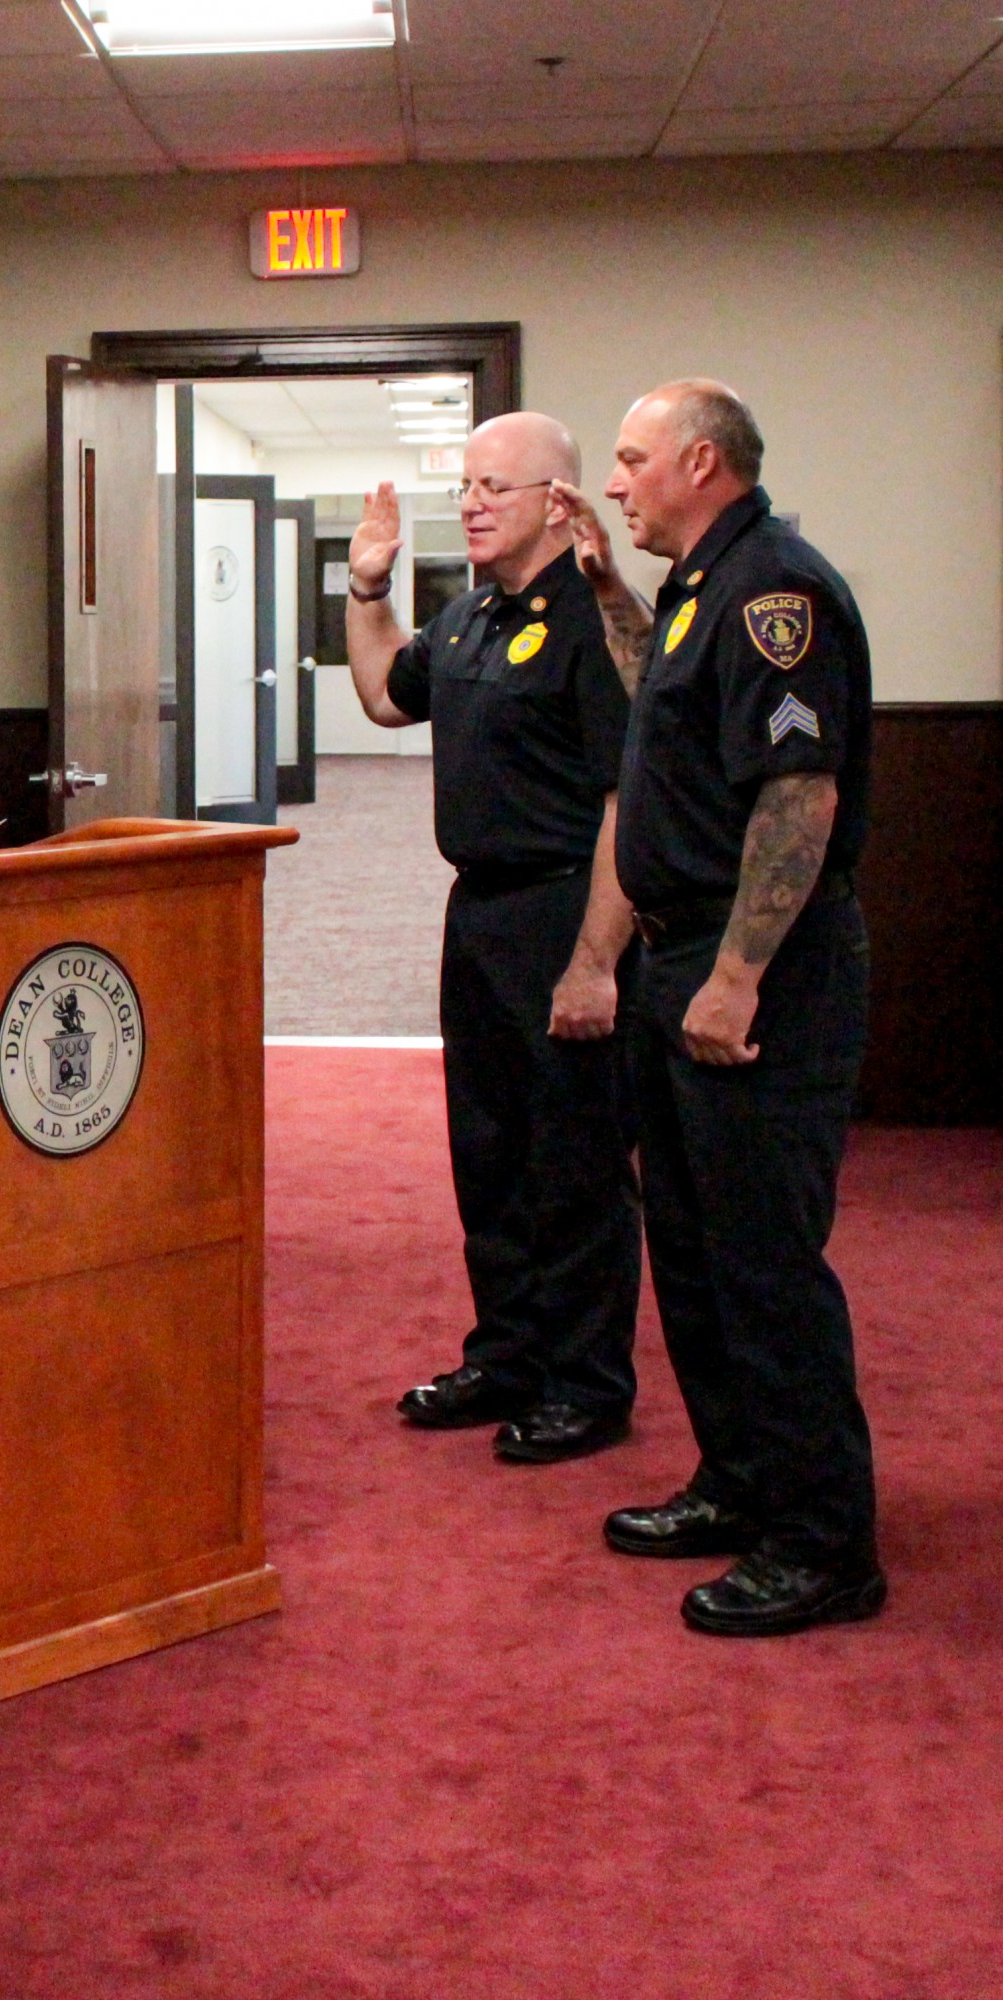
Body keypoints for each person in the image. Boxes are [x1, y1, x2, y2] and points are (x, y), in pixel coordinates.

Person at [554, 380, 881, 1637]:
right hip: (679, 961)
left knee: (761, 1261)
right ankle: (742, 1482)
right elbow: (668, 713)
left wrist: (738, 975)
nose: (618, 482)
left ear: (701, 459)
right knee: (689, 1250)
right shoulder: (701, 587)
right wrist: (605, 592)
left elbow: (800, 795)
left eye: (633, 461)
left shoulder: (777, 591)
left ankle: (824, 1542)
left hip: (761, 974)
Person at [340, 414, 644, 1464]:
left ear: (557, 504)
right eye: (464, 484)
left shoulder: (595, 625)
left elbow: (624, 803)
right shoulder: (468, 617)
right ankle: (509, 1353)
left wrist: (597, 959)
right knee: (491, 1154)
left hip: (567, 910)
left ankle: (587, 1384)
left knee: (574, 1164)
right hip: (477, 915)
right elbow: (385, 696)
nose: (469, 502)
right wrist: (369, 590)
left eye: (493, 487)